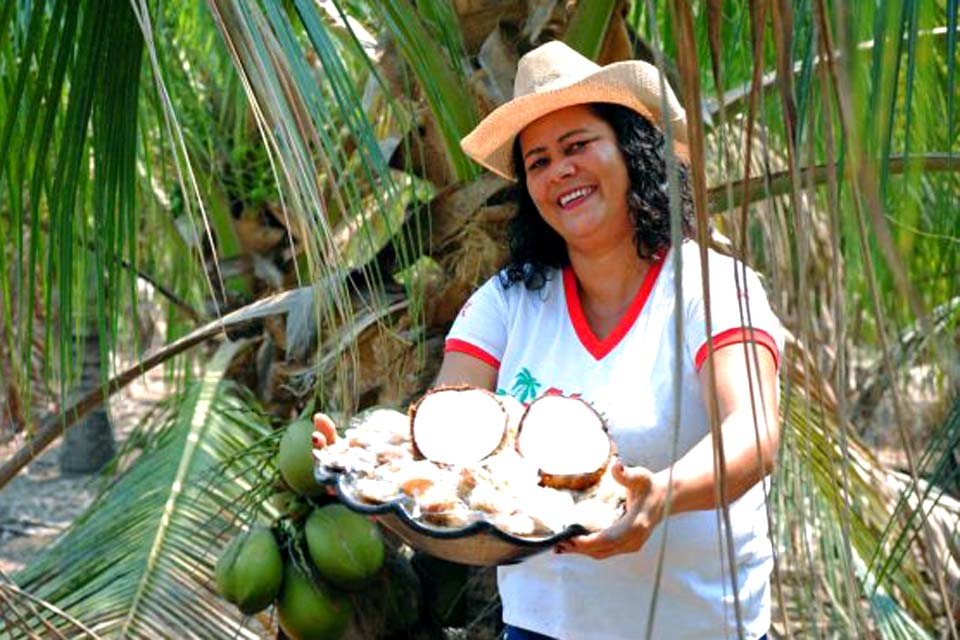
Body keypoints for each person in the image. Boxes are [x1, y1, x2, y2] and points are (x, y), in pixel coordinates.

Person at [315, 41, 781, 640]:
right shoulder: (507, 303)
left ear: (634, 152)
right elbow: (443, 432)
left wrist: (660, 495)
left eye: (578, 146)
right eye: (537, 161)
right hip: (540, 630)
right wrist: (358, 462)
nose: (559, 170)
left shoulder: (712, 286)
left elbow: (753, 433)